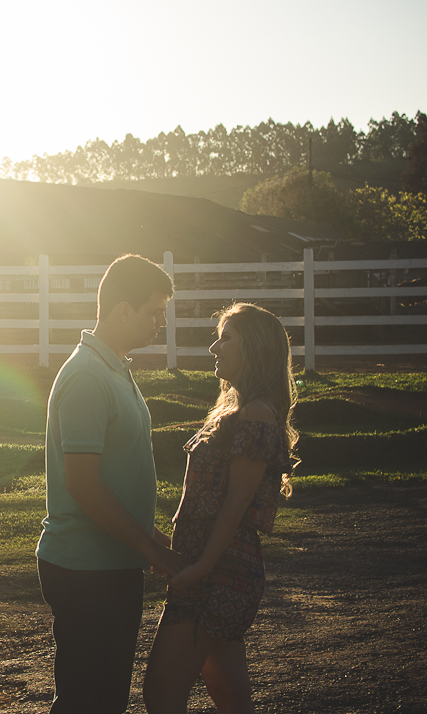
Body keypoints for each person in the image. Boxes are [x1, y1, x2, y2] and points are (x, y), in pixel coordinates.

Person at [36, 253, 187, 714]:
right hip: (87, 567)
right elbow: (83, 485)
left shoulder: (113, 367)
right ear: (124, 309)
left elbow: (116, 481)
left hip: (109, 561)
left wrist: (156, 541)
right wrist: (150, 548)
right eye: (154, 311)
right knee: (88, 701)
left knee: (105, 697)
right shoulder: (87, 376)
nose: (161, 322)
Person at [143, 302, 300, 714]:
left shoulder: (257, 413)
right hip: (215, 569)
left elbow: (237, 502)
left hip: (219, 573)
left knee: (161, 692)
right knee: (232, 700)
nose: (214, 348)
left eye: (226, 338)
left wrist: (202, 568)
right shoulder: (239, 410)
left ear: (256, 348)